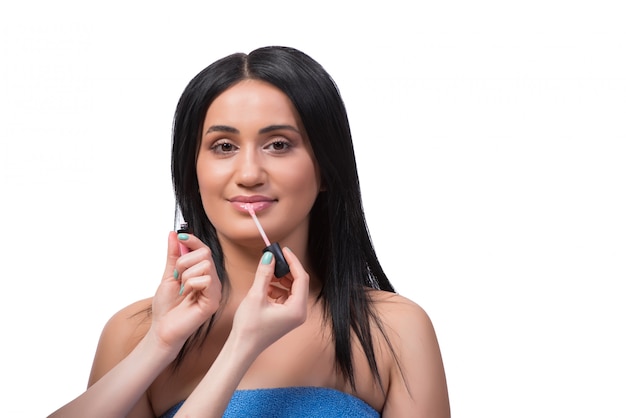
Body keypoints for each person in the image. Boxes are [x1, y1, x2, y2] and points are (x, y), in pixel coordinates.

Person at [48, 46, 450, 418]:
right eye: (223, 146)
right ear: (193, 171)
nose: (249, 174)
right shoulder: (135, 335)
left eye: (278, 144)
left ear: (326, 167)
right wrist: (170, 344)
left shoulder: (396, 331)